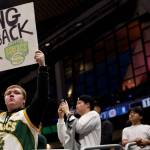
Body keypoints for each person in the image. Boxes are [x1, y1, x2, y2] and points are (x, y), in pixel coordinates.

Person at [0, 50, 49, 150]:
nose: (11, 94)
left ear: (24, 101)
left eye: (16, 93)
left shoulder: (28, 115)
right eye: (8, 93)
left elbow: (41, 97)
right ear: (4, 100)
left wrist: (42, 67)